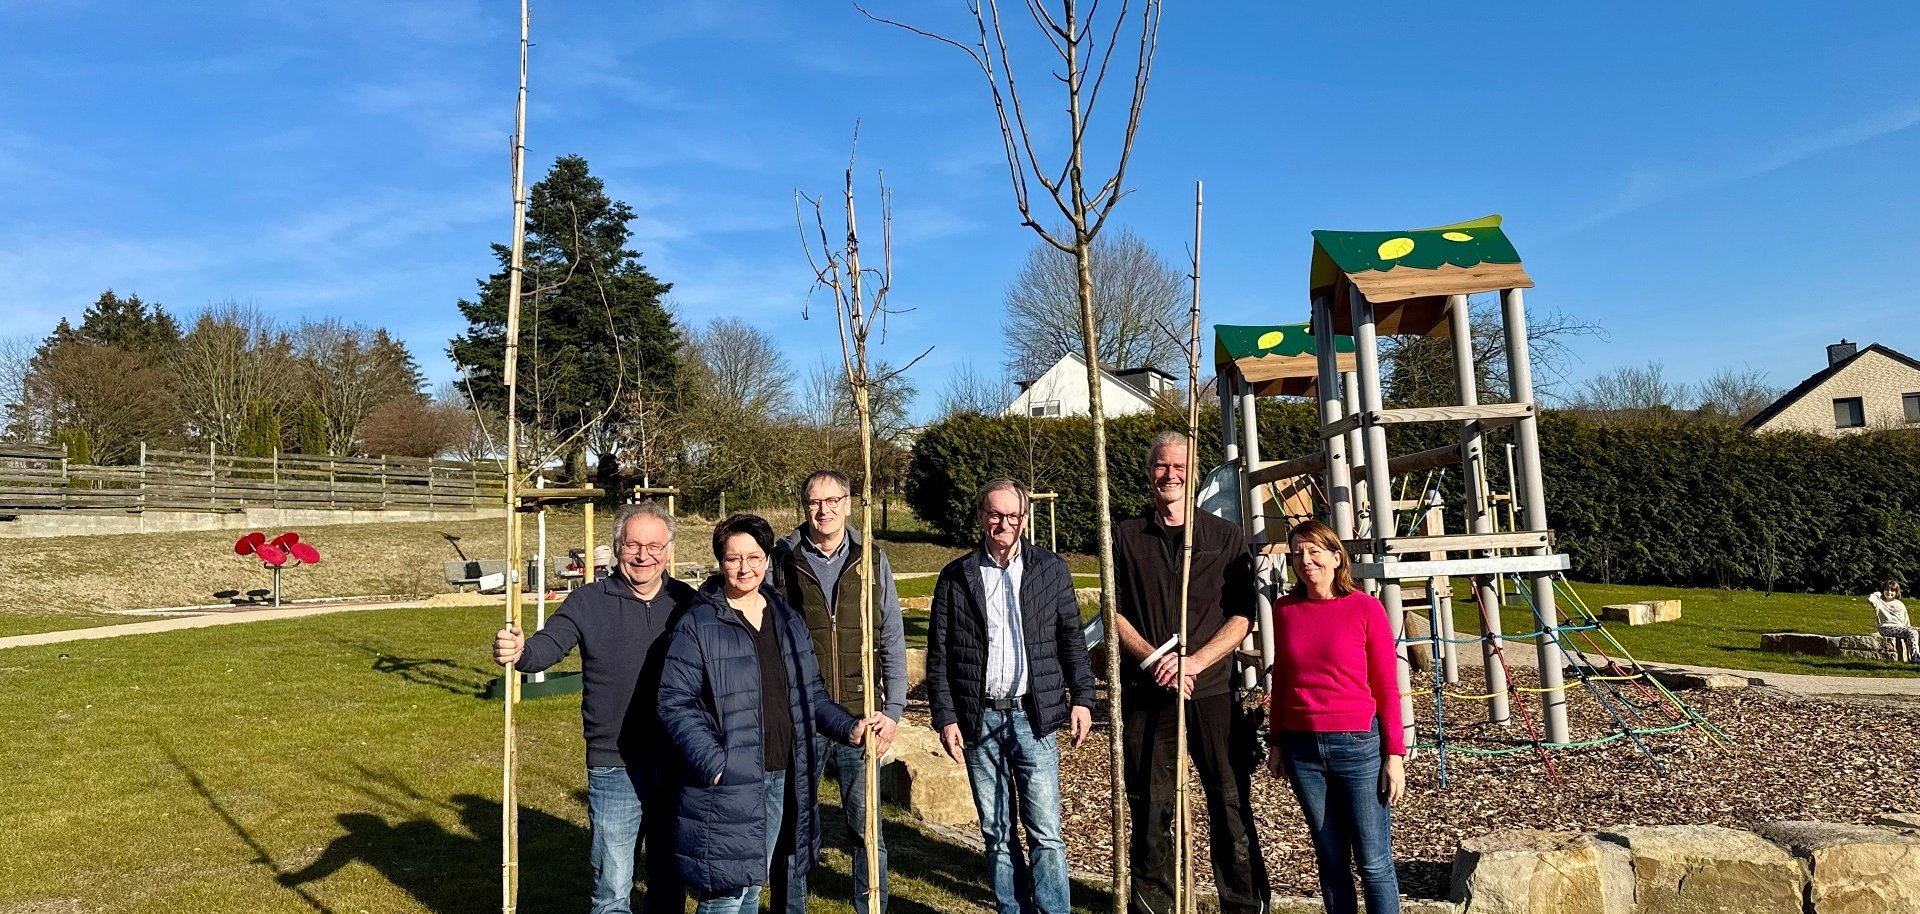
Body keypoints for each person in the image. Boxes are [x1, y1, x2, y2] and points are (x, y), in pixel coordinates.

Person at [658, 513, 883, 914]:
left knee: (752, 887)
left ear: (766, 560)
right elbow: (675, 702)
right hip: (729, 780)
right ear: (720, 562)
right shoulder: (699, 622)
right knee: (725, 894)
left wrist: (849, 728)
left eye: (754, 557)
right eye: (733, 558)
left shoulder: (786, 618)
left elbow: (810, 693)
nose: (744, 568)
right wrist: (713, 762)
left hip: (782, 773)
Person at [491, 500, 696, 914]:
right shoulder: (587, 602)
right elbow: (546, 647)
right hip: (614, 763)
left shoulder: (688, 603)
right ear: (617, 546)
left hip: (677, 760)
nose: (644, 556)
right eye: (633, 545)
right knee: (612, 890)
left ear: (669, 549)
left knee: (670, 884)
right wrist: (519, 650)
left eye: (654, 546)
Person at [1111, 431, 1270, 914]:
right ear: (1149, 471)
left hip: (1212, 689)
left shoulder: (1223, 537)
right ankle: (1155, 904)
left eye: (1179, 466)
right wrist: (1153, 660)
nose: (1170, 474)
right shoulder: (1124, 536)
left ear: (1193, 471)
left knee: (1228, 798)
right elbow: (1112, 609)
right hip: (1148, 687)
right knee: (1151, 802)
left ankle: (1244, 904)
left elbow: (1243, 613)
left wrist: (1197, 661)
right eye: (1161, 466)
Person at [926, 477, 1095, 914]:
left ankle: (1055, 910)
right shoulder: (956, 576)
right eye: (995, 514)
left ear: (1025, 518)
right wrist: (945, 717)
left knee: (1046, 831)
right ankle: (1011, 908)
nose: (1004, 523)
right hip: (978, 719)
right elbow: (939, 655)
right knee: (996, 831)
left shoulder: (1050, 569)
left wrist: (1082, 697)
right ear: (981, 517)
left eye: (1013, 515)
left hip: (1032, 718)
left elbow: (1072, 638)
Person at [768, 470, 906, 914]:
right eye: (814, 501)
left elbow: (891, 637)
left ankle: (871, 908)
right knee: (794, 826)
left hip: (860, 714)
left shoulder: (871, 558)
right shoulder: (782, 560)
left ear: (848, 503)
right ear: (803, 506)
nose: (823, 510)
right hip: (800, 715)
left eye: (833, 500)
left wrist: (894, 709)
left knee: (867, 830)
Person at [1268, 519, 1406, 914]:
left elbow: (1386, 686)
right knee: (1329, 859)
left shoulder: (1366, 607)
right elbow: (1283, 679)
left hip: (1358, 745)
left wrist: (1394, 755)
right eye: (1296, 554)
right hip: (1301, 747)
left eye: (1313, 551)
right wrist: (1276, 742)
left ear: (1335, 556)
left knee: (1373, 861)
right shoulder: (1286, 610)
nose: (1305, 560)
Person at [1870, 580, 1920, 662]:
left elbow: (1906, 620)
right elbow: (1870, 599)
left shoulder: (1900, 604)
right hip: (1886, 628)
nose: (1889, 592)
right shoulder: (1879, 602)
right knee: (1912, 632)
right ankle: (1915, 657)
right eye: (1887, 590)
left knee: (1916, 631)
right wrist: (1878, 594)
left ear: (1897, 592)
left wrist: (1908, 628)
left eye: (1892, 590)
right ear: (1883, 591)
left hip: (1901, 627)